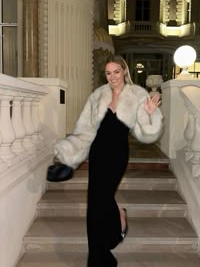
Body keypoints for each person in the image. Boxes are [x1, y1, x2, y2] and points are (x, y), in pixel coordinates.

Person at [54, 54, 163, 267]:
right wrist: (69, 152)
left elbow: (145, 133)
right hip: (97, 153)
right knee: (94, 203)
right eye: (108, 73)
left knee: (102, 199)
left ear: (124, 71)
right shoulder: (97, 95)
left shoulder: (137, 94)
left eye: (116, 71)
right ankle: (97, 256)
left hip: (117, 154)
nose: (112, 76)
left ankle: (117, 221)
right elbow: (84, 130)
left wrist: (151, 114)